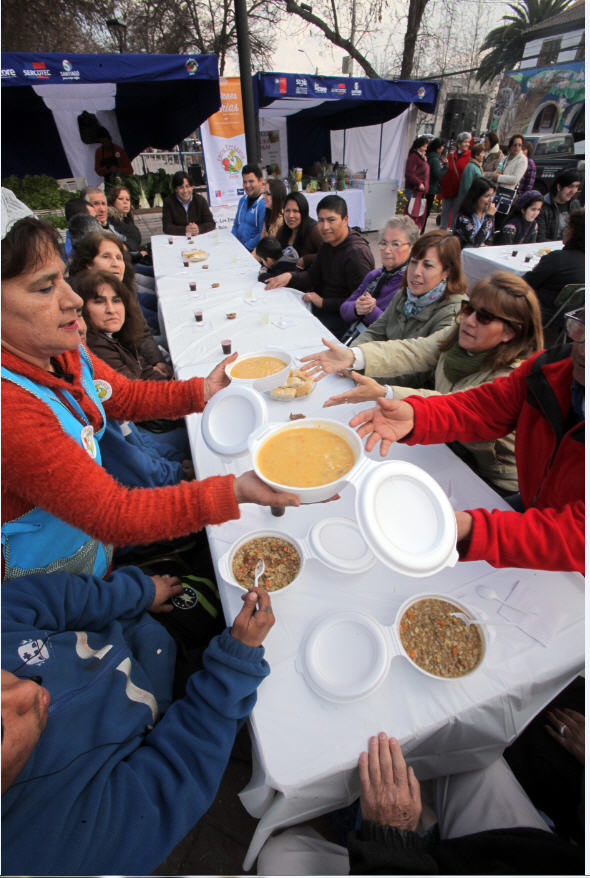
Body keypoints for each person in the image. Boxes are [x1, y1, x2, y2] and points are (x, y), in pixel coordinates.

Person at [1, 218, 299, 581]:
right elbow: (114, 514)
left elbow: (123, 396)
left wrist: (201, 390)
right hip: (44, 592)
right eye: (46, 288)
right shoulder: (10, 409)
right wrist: (233, 491)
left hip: (92, 555)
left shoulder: (62, 353)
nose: (73, 299)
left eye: (63, 277)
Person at [1, 568, 275, 875]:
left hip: (132, 619)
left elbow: (46, 598)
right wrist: (235, 663)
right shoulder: (58, 842)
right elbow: (182, 768)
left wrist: (136, 593)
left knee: (209, 574)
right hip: (178, 698)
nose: (27, 688)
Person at [348, 306, 585, 574]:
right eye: (585, 326)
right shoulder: (551, 368)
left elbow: (578, 536)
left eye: (484, 316)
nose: (584, 351)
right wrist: (418, 415)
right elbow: (486, 407)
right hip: (535, 501)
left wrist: (476, 530)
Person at [322, 272, 544, 496]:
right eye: (469, 308)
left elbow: (458, 406)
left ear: (510, 332)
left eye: (484, 317)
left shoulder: (513, 377)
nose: (470, 320)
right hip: (447, 444)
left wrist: (385, 392)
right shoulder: (458, 333)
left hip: (488, 476)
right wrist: (354, 356)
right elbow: (414, 350)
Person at [257, 733, 583, 875]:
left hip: (403, 866)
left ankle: (348, 833)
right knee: (473, 754)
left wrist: (391, 841)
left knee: (280, 855)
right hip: (524, 853)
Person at [301, 230, 466, 388]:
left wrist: (358, 369)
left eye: (428, 266)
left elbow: (421, 370)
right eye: (413, 262)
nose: (416, 272)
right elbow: (376, 330)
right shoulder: (405, 294)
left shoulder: (453, 314)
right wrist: (349, 356)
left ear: (447, 271)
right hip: (378, 376)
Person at [265, 194, 375, 339]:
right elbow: (312, 276)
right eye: (321, 220)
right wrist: (289, 277)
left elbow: (360, 304)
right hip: (321, 306)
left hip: (341, 319)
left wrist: (323, 303)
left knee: (292, 333)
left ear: (345, 219)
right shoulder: (327, 244)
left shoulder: (356, 254)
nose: (325, 227)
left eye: (331, 220)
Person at [69, 230, 167, 357]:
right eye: (106, 256)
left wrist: (156, 360)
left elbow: (141, 331)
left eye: (118, 257)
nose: (115, 263)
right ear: (88, 264)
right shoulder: (80, 301)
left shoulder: (125, 287)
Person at [76, 269, 171, 382]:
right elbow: (136, 391)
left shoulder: (116, 334)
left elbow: (143, 369)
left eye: (116, 301)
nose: (111, 310)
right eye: (99, 302)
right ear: (83, 309)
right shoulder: (96, 346)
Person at [339, 216, 419, 336]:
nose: (387, 250)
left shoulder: (412, 284)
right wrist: (357, 308)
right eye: (384, 243)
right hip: (355, 335)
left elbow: (397, 332)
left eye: (395, 244)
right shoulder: (375, 276)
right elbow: (344, 309)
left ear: (411, 248)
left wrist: (371, 311)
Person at [523, 208, 584, 324]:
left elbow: (525, 283)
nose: (565, 231)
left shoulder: (558, 258)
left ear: (573, 232)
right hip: (570, 318)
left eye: (568, 227)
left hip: (540, 312)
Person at [275, 191, 323, 269]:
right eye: (287, 211)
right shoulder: (282, 231)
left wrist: (306, 259)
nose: (291, 215)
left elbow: (328, 254)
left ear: (303, 212)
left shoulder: (314, 230)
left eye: (295, 211)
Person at [162, 171, 216, 237]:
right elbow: (166, 227)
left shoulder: (200, 200)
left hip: (199, 238)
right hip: (179, 239)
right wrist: (185, 230)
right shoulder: (169, 202)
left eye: (187, 186)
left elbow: (211, 223)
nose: (185, 191)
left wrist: (198, 229)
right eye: (181, 187)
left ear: (192, 187)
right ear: (176, 189)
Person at [536, 169, 582, 242]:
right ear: (559, 187)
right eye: (570, 186)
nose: (573, 191)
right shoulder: (543, 206)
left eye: (576, 186)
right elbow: (540, 237)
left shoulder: (575, 204)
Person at [439, 131, 471, 230]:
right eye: (465, 142)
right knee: (445, 211)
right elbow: (446, 170)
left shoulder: (470, 156)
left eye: (468, 142)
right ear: (459, 143)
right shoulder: (451, 156)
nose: (467, 144)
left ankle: (453, 232)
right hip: (449, 189)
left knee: (456, 214)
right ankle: (442, 231)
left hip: (460, 190)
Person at [454, 177, 497, 249]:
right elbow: (475, 242)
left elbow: (490, 239)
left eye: (492, 196)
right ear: (476, 196)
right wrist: (489, 217)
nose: (490, 200)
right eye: (487, 196)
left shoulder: (486, 214)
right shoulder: (464, 217)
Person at [231, 163, 265, 250]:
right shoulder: (242, 200)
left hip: (252, 252)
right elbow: (236, 224)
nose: (247, 185)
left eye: (251, 181)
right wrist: (233, 242)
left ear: (260, 181)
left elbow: (262, 234)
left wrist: (244, 248)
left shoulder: (263, 204)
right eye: (244, 182)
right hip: (238, 248)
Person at [487, 133, 528, 198]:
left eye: (519, 145)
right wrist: (494, 175)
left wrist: (499, 178)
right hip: (496, 190)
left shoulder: (523, 160)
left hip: (507, 193)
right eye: (515, 145)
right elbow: (498, 171)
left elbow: (515, 179)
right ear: (511, 146)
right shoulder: (505, 158)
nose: (517, 147)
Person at [403, 136, 430, 232]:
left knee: (416, 214)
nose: (426, 148)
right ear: (419, 146)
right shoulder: (414, 157)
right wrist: (419, 183)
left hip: (419, 191)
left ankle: (412, 232)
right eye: (424, 146)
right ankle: (408, 233)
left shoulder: (420, 157)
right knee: (412, 214)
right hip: (414, 190)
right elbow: (409, 173)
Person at [424, 137, 446, 226]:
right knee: (426, 212)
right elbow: (438, 175)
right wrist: (446, 167)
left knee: (422, 211)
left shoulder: (428, 156)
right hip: (431, 188)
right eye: (442, 147)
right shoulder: (435, 159)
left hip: (425, 187)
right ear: (438, 148)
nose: (443, 148)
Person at [455, 142, 485, 209]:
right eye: (482, 153)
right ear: (476, 155)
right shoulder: (471, 167)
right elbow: (467, 186)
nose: (483, 155)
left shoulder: (476, 166)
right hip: (467, 203)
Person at [257, 177, 285, 244]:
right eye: (264, 193)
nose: (264, 197)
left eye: (268, 194)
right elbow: (261, 243)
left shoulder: (282, 220)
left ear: (277, 195)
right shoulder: (268, 213)